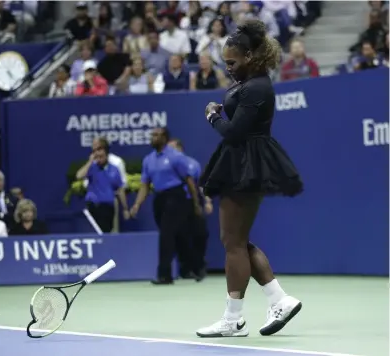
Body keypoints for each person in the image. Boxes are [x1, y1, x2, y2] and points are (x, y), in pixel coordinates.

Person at [196, 19, 303, 338]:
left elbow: (234, 133)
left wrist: (213, 115)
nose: (228, 68)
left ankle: (233, 319)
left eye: (232, 62)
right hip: (242, 161)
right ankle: (279, 300)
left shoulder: (257, 86)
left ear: (250, 57)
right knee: (236, 242)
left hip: (247, 163)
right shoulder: (251, 82)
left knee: (233, 243)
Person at [129, 128, 201, 285]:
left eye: (156, 135)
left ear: (164, 138)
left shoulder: (176, 156)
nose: (153, 138)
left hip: (176, 196)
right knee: (177, 235)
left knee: (166, 235)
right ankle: (193, 268)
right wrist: (137, 205)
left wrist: (195, 203)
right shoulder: (148, 159)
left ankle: (164, 274)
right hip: (159, 198)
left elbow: (189, 180)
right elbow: (145, 185)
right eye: (152, 135)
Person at [168, 138, 213, 281]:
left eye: (172, 148)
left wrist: (207, 201)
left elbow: (201, 185)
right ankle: (185, 269)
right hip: (177, 205)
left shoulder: (193, 164)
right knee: (181, 237)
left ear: (180, 149)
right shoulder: (166, 165)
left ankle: (199, 267)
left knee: (200, 234)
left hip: (194, 203)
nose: (169, 152)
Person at [76, 145, 130, 233]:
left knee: (106, 233)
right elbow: (79, 176)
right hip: (94, 206)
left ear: (107, 156)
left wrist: (125, 208)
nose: (99, 159)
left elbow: (120, 190)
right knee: (94, 233)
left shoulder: (114, 169)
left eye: (101, 157)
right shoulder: (91, 168)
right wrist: (90, 162)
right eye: (97, 157)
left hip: (108, 208)